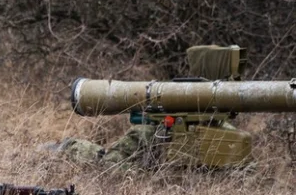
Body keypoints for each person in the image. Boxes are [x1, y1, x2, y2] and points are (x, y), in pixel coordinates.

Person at [54, 45, 251, 169]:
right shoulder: (151, 129)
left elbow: (247, 170)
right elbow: (113, 166)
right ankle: (69, 147)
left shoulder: (222, 131)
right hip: (153, 133)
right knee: (109, 164)